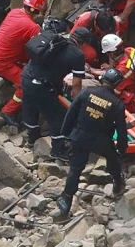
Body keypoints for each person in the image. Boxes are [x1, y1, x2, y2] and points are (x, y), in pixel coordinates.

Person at [54, 67, 129, 217]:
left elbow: (71, 113)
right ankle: (118, 184)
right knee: (113, 160)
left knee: (75, 170)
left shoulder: (86, 91)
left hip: (80, 137)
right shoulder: (117, 104)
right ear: (117, 84)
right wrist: (122, 148)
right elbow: (121, 130)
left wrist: (65, 133)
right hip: (102, 141)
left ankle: (66, 199)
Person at [20, 21, 87, 160]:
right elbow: (77, 85)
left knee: (30, 109)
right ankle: (58, 150)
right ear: (84, 43)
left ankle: (32, 138)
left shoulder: (54, 40)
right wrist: (78, 105)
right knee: (58, 116)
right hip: (42, 86)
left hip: (26, 76)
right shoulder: (77, 55)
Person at [0, 0, 47, 125]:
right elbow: (38, 50)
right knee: (27, 84)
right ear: (37, 11)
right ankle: (8, 111)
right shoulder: (32, 28)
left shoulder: (14, 12)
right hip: (1, 62)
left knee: (25, 59)